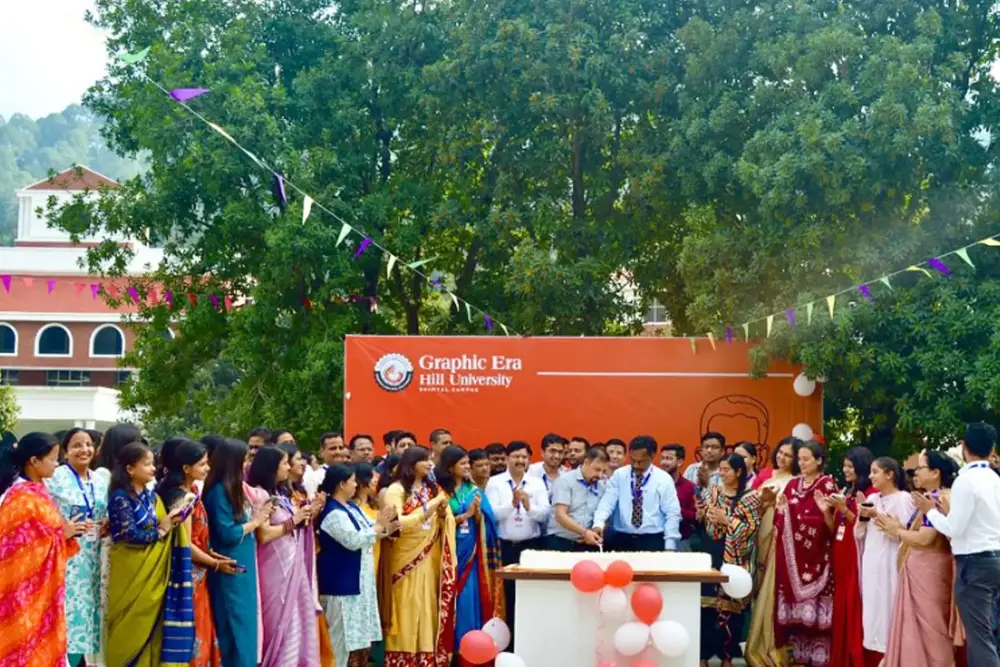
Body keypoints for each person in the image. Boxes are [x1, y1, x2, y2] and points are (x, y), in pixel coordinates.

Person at [0, 432, 86, 667]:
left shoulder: (37, 490)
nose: (57, 464)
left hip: (45, 591)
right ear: (34, 461)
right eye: (53, 458)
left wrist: (61, 534)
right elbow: (13, 549)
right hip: (21, 592)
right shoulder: (20, 498)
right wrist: (61, 534)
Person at [918, 422, 1000, 667]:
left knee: (980, 637)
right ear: (992, 448)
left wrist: (930, 512)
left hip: (975, 563)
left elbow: (954, 528)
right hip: (994, 559)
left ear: (964, 447)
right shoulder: (995, 479)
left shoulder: (967, 480)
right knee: (988, 633)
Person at [106, 442, 192, 666]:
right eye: (146, 464)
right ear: (130, 469)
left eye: (153, 464)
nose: (153, 468)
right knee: (128, 627)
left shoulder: (152, 497)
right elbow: (129, 534)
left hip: (153, 573)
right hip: (129, 572)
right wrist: (162, 529)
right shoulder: (119, 497)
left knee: (151, 628)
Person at [157, 438, 238, 667]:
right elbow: (185, 546)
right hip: (187, 575)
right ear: (186, 468)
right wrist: (214, 563)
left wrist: (212, 555)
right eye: (202, 464)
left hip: (197, 573)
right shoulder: (183, 498)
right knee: (193, 635)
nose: (208, 468)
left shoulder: (190, 490)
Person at [879, 450, 962, 667]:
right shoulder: (940, 496)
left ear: (935, 472)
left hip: (928, 573)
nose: (915, 473)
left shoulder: (935, 499)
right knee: (928, 629)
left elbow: (926, 539)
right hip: (929, 570)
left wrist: (896, 531)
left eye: (920, 468)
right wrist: (897, 527)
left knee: (932, 631)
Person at [380, 446, 458, 666]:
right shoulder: (395, 490)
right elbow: (395, 524)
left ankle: (426, 657)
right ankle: (401, 658)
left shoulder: (432, 488)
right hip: (404, 558)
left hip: (430, 555)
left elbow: (446, 517)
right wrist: (432, 507)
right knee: (406, 607)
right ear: (412, 463)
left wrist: (443, 515)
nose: (429, 464)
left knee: (427, 606)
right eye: (424, 460)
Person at [246, 446, 320, 666]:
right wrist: (294, 521)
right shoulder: (260, 495)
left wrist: (306, 515)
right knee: (282, 625)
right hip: (275, 572)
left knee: (298, 623)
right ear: (272, 467)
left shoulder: (280, 495)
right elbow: (265, 534)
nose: (289, 467)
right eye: (285, 463)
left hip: (291, 568)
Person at [203, 439, 274, 667]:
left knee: (246, 627)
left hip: (244, 566)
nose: (246, 464)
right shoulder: (217, 492)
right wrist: (255, 522)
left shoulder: (234, 489)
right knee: (234, 627)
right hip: (229, 566)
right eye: (244, 460)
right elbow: (228, 534)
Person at [319, 463, 394, 667]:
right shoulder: (333, 512)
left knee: (353, 643)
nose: (355, 485)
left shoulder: (350, 506)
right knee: (338, 644)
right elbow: (353, 540)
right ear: (342, 484)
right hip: (341, 586)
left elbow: (369, 528)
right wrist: (379, 527)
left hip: (357, 585)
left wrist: (385, 527)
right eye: (352, 481)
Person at [46, 428, 108, 667]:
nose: (84, 450)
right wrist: (62, 529)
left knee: (87, 619)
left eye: (89, 444)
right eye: (77, 445)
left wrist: (106, 524)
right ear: (65, 451)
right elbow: (42, 516)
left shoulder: (100, 481)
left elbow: (103, 512)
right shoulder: (55, 478)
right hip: (66, 559)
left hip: (92, 558)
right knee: (68, 618)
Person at [774, 440, 838, 667]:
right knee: (795, 624)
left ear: (819, 460)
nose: (801, 463)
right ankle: (797, 659)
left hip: (817, 560)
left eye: (806, 459)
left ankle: (819, 659)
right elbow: (781, 520)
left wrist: (824, 514)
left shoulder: (828, 485)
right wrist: (781, 511)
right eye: (799, 459)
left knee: (817, 623)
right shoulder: (791, 485)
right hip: (793, 562)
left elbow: (833, 528)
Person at [436, 445, 506, 649]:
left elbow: (489, 521)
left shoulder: (474, 491)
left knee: (468, 598)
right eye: (463, 463)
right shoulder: (440, 491)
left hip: (471, 554)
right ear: (450, 467)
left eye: (468, 463)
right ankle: (447, 648)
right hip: (445, 552)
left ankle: (468, 647)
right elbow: (435, 522)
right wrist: (464, 516)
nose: (468, 467)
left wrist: (478, 516)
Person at [700, 454, 761, 667]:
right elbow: (709, 526)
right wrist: (711, 518)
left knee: (732, 611)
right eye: (721, 470)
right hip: (712, 553)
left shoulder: (751, 497)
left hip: (737, 560)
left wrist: (728, 521)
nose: (722, 473)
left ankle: (727, 657)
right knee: (706, 608)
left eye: (727, 470)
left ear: (738, 472)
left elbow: (752, 529)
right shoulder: (712, 493)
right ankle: (703, 656)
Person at [853, 456, 914, 667]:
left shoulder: (903, 499)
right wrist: (862, 515)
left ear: (890, 474)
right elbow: (859, 534)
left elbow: (903, 533)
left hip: (891, 562)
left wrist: (875, 514)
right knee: (873, 610)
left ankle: (894, 656)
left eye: (875, 471)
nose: (871, 476)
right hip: (872, 562)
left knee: (891, 605)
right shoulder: (873, 498)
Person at [485, 441, 548, 639]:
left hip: (530, 548)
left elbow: (545, 514)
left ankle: (528, 636)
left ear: (529, 460)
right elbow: (491, 514)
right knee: (506, 595)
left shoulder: (536, 483)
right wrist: (511, 505)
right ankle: (508, 638)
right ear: (507, 459)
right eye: (516, 456)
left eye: (524, 457)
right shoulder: (495, 482)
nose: (520, 461)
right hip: (504, 547)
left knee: (529, 594)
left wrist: (529, 507)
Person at [745, 436, 798, 666]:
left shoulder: (795, 482)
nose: (782, 457)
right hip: (760, 539)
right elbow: (750, 505)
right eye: (781, 452)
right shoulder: (767, 476)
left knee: (772, 591)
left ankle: (771, 647)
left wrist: (773, 504)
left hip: (778, 542)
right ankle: (758, 644)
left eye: (788, 455)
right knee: (759, 588)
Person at [828, 445, 876, 667]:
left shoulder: (871, 493)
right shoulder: (848, 490)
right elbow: (836, 525)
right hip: (841, 552)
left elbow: (864, 527)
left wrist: (844, 509)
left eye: (850, 466)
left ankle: (855, 657)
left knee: (854, 602)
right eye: (844, 465)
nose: (845, 470)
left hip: (857, 554)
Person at [593, 435, 681, 551]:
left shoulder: (663, 479)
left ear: (652, 456)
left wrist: (670, 545)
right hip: (621, 538)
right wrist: (598, 524)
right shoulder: (620, 475)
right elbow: (606, 503)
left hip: (652, 539)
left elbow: (672, 513)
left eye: (640, 461)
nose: (635, 465)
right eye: (632, 460)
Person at [547, 446, 609, 550]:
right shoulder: (565, 481)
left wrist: (596, 530)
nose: (600, 475)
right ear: (586, 462)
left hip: (587, 543)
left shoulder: (602, 487)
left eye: (604, 471)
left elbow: (604, 515)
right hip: (561, 542)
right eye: (597, 469)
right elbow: (560, 515)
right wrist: (584, 532)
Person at [660, 443, 698, 550]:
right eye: (662, 458)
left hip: (681, 540)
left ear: (680, 462)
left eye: (669, 458)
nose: (664, 462)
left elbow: (695, 515)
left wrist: (675, 510)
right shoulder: (654, 484)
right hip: (656, 539)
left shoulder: (690, 487)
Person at [684, 432, 726, 502]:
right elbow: (683, 495)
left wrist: (707, 484)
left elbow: (725, 501)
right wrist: (698, 487)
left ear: (722, 451)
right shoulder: (691, 469)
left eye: (714, 447)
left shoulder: (726, 472)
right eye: (706, 447)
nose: (709, 451)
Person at [527, 433, 566, 499]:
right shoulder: (530, 472)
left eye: (560, 452)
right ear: (542, 452)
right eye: (552, 451)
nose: (557, 456)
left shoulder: (567, 474)